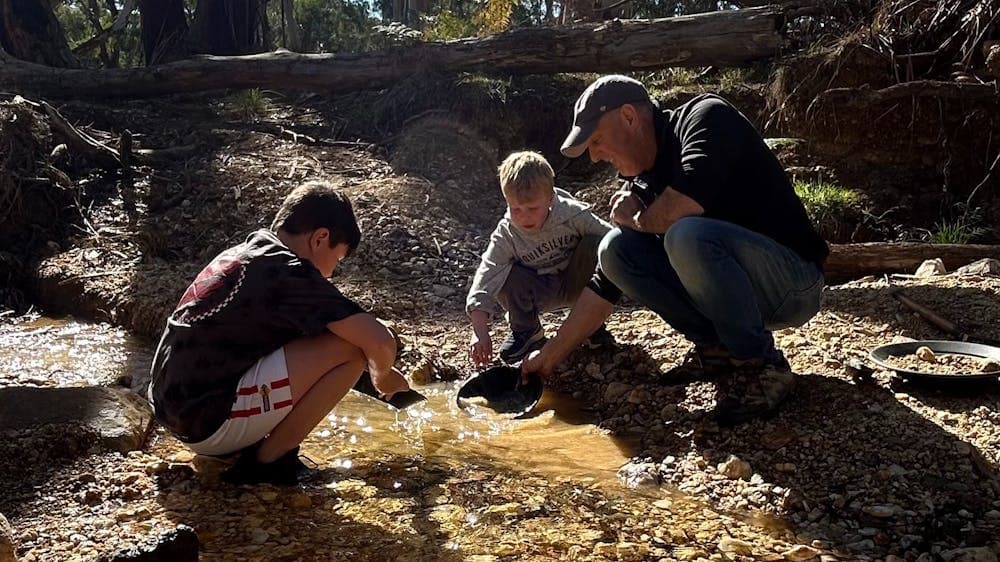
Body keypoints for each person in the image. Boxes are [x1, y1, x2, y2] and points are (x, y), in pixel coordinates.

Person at [522, 75, 828, 426]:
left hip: (793, 284)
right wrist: (549, 356)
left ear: (629, 117)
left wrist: (636, 218)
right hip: (737, 298)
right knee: (615, 250)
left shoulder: (707, 119)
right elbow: (605, 282)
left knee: (685, 234)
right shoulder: (642, 177)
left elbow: (680, 209)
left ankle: (762, 365)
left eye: (597, 141)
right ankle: (717, 350)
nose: (594, 156)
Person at [148, 181, 409, 485]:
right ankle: (269, 462)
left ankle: (253, 445)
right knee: (351, 350)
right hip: (203, 422)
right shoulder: (289, 271)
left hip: (170, 407)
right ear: (320, 238)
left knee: (334, 336)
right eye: (336, 261)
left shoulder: (249, 254)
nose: (330, 274)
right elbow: (379, 340)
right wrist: (382, 375)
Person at [467, 150, 613, 366]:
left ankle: (591, 323)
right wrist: (479, 331)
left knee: (597, 244)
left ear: (550, 198)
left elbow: (615, 240)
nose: (524, 216)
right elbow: (485, 278)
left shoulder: (572, 214)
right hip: (537, 291)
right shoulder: (507, 234)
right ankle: (527, 330)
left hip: (578, 285)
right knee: (503, 273)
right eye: (516, 209)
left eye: (533, 208)